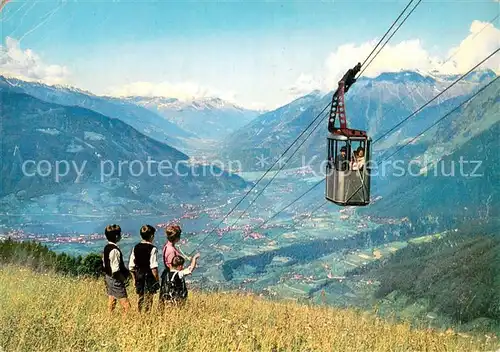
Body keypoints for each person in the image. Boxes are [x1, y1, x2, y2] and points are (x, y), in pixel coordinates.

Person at [129, 225, 160, 312]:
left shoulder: (135, 247)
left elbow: (131, 266)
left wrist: (134, 278)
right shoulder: (153, 249)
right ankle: (147, 315)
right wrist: (157, 280)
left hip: (139, 275)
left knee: (141, 297)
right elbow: (154, 267)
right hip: (149, 276)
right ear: (151, 236)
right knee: (149, 298)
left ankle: (140, 313)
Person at [102, 224, 131, 313]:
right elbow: (115, 270)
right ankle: (126, 322)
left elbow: (104, 263)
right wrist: (123, 279)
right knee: (127, 305)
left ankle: (110, 317)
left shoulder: (106, 247)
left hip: (108, 277)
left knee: (112, 298)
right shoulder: (114, 250)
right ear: (117, 236)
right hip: (115, 279)